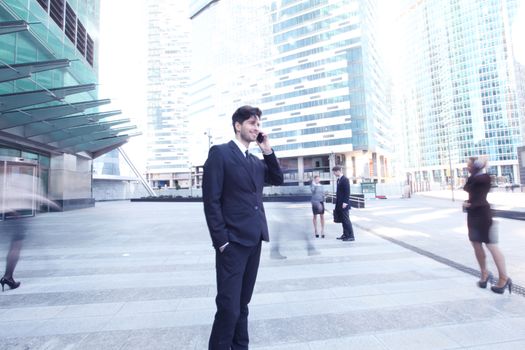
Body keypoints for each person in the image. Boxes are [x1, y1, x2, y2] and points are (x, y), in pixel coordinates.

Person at [202, 105, 283, 349]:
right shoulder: (221, 153)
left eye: (258, 124)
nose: (256, 128)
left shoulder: (256, 161)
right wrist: (222, 241)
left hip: (254, 239)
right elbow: (211, 201)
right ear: (238, 125)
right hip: (233, 242)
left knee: (243, 304)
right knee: (228, 306)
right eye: (252, 123)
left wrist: (267, 150)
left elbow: (277, 178)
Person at [463, 157, 511, 294]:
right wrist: (466, 204)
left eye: (469, 165)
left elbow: (475, 186)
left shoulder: (484, 178)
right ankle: (484, 273)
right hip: (473, 215)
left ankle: (503, 278)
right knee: (476, 244)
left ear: (476, 166)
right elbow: (468, 187)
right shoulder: (474, 178)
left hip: (483, 215)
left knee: (491, 245)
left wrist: (478, 166)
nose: (467, 167)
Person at [332, 165, 355, 242]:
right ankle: (345, 234)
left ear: (338, 171)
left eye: (334, 172)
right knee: (343, 220)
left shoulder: (345, 179)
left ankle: (351, 236)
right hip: (339, 203)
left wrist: (345, 202)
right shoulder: (339, 180)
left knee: (346, 220)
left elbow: (347, 192)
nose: (334, 174)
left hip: (344, 204)